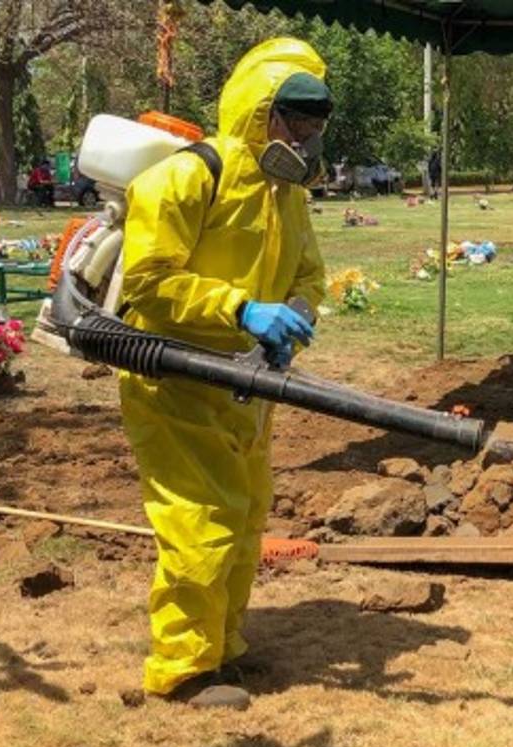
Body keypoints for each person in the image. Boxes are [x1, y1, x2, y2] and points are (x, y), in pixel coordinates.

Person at [118, 37, 331, 709]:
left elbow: (309, 272)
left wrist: (293, 314)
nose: (305, 134)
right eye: (294, 118)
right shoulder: (187, 176)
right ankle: (181, 668)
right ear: (259, 110)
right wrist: (239, 306)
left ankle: (221, 645)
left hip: (244, 384)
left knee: (243, 518)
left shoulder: (284, 191)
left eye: (315, 121)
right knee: (199, 519)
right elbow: (148, 282)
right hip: (176, 378)